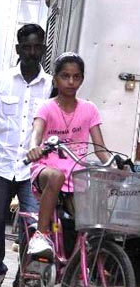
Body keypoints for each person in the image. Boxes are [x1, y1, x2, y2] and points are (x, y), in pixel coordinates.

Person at [0, 23, 52, 287]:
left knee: (33, 227)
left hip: (34, 168)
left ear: (43, 49)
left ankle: (26, 277)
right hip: (0, 163)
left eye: (37, 47)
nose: (32, 52)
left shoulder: (51, 86)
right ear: (19, 49)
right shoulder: (0, 80)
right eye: (27, 47)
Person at [26, 52, 111, 259]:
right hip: (46, 171)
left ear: (82, 79)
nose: (71, 81)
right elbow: (36, 134)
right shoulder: (46, 107)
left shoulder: (89, 109)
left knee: (97, 204)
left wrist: (115, 164)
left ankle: (89, 263)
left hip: (77, 176)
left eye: (76, 76)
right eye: (65, 76)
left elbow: (100, 149)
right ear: (55, 78)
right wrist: (34, 148)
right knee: (56, 176)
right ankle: (41, 234)